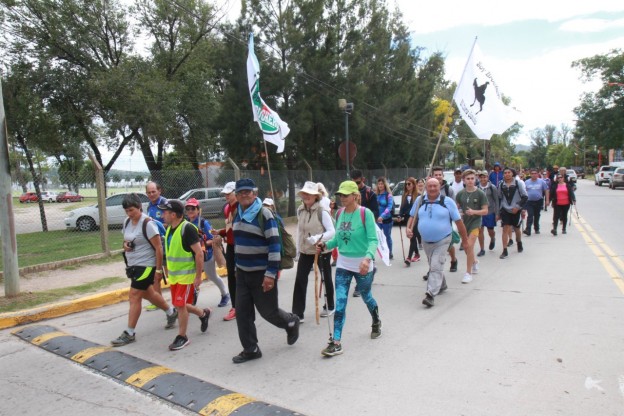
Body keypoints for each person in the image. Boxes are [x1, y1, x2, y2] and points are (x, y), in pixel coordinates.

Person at [230, 178, 300, 364]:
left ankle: (290, 322)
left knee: (268, 312)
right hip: (242, 273)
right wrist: (237, 267)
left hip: (262, 274)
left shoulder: (265, 215)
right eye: (240, 192)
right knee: (242, 313)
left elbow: (274, 246)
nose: (244, 195)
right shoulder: (237, 213)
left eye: (247, 192)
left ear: (254, 193)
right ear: (236, 195)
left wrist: (270, 274)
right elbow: (238, 244)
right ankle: (251, 349)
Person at [316, 180, 381, 357]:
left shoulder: (365, 213)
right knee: (340, 303)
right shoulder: (340, 213)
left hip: (362, 263)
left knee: (366, 296)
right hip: (344, 263)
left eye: (345, 195)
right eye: (340, 195)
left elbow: (373, 240)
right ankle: (336, 342)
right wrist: (325, 245)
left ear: (355, 196)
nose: (342, 198)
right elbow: (338, 239)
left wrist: (367, 259)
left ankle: (376, 320)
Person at [111, 193, 178, 347]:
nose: (129, 213)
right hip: (133, 265)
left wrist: (158, 270)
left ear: (139, 207)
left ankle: (129, 333)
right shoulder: (127, 222)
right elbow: (125, 240)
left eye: (132, 210)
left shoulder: (148, 223)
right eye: (126, 211)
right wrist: (125, 246)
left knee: (134, 296)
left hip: (147, 266)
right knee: (149, 294)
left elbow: (159, 248)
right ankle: (171, 312)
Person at [157, 199, 211, 351]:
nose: (162, 215)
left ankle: (182, 336)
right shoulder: (170, 229)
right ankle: (203, 313)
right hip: (175, 277)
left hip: (186, 276)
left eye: (165, 212)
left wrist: (198, 276)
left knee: (180, 306)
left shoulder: (187, 229)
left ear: (173, 214)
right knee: (179, 304)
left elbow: (199, 253)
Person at [406, 178, 468, 307]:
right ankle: (442, 285)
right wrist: (408, 228)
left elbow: (459, 222)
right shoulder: (420, 200)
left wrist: (465, 240)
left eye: (435, 186)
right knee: (434, 264)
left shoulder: (447, 201)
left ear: (440, 186)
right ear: (425, 188)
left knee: (435, 265)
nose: (432, 188)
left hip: (443, 239)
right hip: (426, 240)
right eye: (430, 186)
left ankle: (430, 294)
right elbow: (413, 216)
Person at [293, 182, 336, 322]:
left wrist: (318, 238)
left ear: (315, 196)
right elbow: (300, 230)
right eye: (304, 194)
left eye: (309, 194)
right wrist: (297, 250)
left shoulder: (322, 211)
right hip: (306, 250)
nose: (306, 196)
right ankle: (297, 313)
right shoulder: (300, 210)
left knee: (325, 277)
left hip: (321, 250)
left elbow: (332, 231)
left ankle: (330, 305)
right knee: (300, 279)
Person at [184, 198, 230, 308]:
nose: (190, 211)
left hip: (206, 255)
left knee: (212, 276)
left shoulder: (203, 223)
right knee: (192, 277)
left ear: (198, 210)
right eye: (188, 209)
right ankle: (192, 298)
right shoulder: (186, 223)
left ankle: (225, 294)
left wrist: (201, 245)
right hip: (192, 256)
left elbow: (212, 239)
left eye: (193, 208)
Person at [349, 169, 379, 297]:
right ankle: (371, 270)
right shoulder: (349, 193)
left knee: (364, 256)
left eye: (358, 182)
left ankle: (359, 286)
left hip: (366, 227)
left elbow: (375, 211)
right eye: (353, 183)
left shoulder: (369, 193)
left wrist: (369, 224)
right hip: (354, 229)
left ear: (363, 180)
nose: (356, 185)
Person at [455, 170, 488, 284]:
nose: (470, 181)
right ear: (464, 180)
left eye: (472, 178)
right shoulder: (460, 194)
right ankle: (474, 261)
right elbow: (456, 208)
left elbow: (485, 211)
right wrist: (459, 213)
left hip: (475, 223)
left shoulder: (480, 193)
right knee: (466, 247)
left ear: (475, 179)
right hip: (464, 224)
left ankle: (468, 273)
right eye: (468, 179)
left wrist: (474, 212)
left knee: (469, 246)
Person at [214, 182, 238, 322]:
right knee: (232, 277)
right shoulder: (227, 208)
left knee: (242, 276)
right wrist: (221, 232)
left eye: (229, 193)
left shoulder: (242, 207)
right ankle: (235, 307)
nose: (227, 196)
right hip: (231, 246)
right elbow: (230, 227)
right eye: (225, 194)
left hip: (242, 246)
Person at [144, 181, 168, 310]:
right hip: (153, 243)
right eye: (149, 192)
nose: (151, 194)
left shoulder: (165, 204)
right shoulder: (149, 206)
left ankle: (184, 297)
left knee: (170, 272)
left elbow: (172, 222)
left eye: (153, 191)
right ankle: (159, 301)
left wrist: (155, 224)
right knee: (155, 273)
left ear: (159, 191)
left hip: (166, 242)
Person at [431, 166, 458, 273]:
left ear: (443, 176)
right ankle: (433, 269)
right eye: (436, 175)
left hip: (446, 222)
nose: (438, 176)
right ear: (432, 176)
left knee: (448, 244)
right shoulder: (429, 188)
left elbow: (454, 206)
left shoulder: (448, 189)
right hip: (432, 222)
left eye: (440, 175)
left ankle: (453, 260)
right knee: (433, 245)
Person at [498, 168, 528, 259]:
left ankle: (519, 242)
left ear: (512, 174)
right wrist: (499, 211)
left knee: (517, 229)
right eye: (505, 173)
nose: (507, 174)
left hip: (516, 210)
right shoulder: (501, 184)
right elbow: (499, 197)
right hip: (505, 210)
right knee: (505, 229)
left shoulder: (518, 183)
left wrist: (518, 207)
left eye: (509, 172)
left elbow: (525, 196)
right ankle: (504, 250)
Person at [477, 170, 499, 255]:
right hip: (480, 212)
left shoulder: (492, 187)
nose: (483, 179)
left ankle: (492, 238)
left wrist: (497, 213)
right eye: (481, 177)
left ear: (487, 177)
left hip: (490, 211)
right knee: (480, 231)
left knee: (490, 230)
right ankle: (482, 249)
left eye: (484, 177)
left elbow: (496, 200)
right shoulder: (477, 188)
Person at [523, 168, 549, 236]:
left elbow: (546, 190)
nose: (534, 175)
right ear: (530, 174)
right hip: (529, 201)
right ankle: (528, 229)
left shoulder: (541, 181)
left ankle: (536, 228)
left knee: (537, 215)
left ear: (537, 174)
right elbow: (523, 192)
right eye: (532, 173)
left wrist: (547, 200)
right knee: (530, 215)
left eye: (535, 173)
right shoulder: (526, 182)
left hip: (538, 201)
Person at [399, 177, 420, 262]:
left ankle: (409, 257)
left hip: (416, 218)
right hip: (407, 218)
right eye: (406, 184)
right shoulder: (405, 195)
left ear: (413, 185)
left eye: (409, 184)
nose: (407, 186)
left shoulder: (418, 195)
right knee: (412, 238)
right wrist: (400, 215)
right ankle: (417, 254)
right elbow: (402, 207)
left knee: (412, 236)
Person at [375, 176, 394, 260]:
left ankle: (390, 252)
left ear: (385, 185)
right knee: (377, 237)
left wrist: (382, 216)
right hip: (377, 220)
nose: (380, 185)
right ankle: (380, 252)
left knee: (387, 236)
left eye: (382, 184)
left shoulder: (388, 195)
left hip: (386, 220)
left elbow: (389, 207)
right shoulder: (376, 195)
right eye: (379, 184)